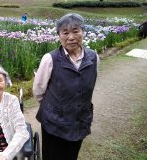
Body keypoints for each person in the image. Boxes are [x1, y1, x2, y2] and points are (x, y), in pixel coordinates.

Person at [33, 13, 99, 160]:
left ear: (83, 32)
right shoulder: (50, 58)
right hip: (54, 121)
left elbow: (91, 83)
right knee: (52, 155)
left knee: (71, 155)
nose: (71, 37)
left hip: (80, 119)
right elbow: (38, 90)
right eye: (65, 32)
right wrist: (54, 108)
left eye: (76, 31)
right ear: (59, 35)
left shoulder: (93, 57)